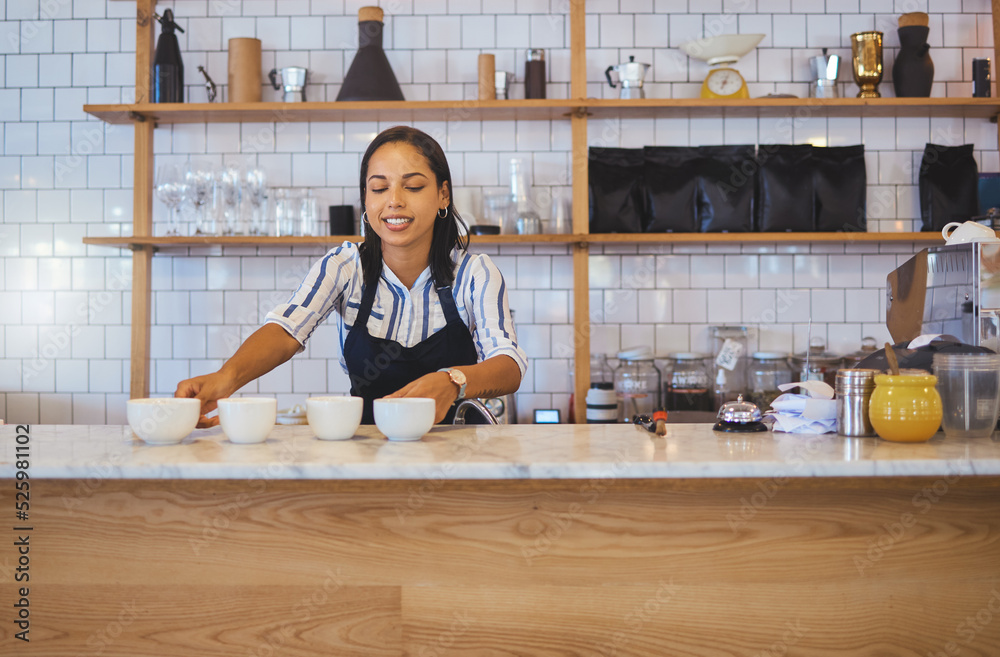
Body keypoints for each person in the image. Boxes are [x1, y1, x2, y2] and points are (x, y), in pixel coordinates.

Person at [176, 126, 527, 426]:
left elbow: (509, 364)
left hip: (460, 452)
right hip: (367, 451)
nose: (394, 201)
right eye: (379, 188)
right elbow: (286, 330)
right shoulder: (345, 266)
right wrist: (225, 378)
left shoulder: (474, 273)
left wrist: (453, 381)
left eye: (413, 186)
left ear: (442, 195)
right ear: (365, 199)